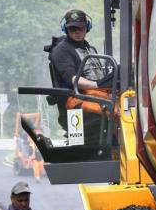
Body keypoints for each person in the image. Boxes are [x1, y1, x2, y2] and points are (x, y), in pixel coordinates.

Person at [50, 9, 117, 145]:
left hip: (97, 96)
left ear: (87, 27)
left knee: (130, 107)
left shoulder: (90, 49)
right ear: (65, 29)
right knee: (114, 112)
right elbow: (74, 79)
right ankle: (111, 150)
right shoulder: (62, 51)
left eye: (80, 27)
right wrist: (98, 84)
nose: (77, 31)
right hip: (77, 101)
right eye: (72, 28)